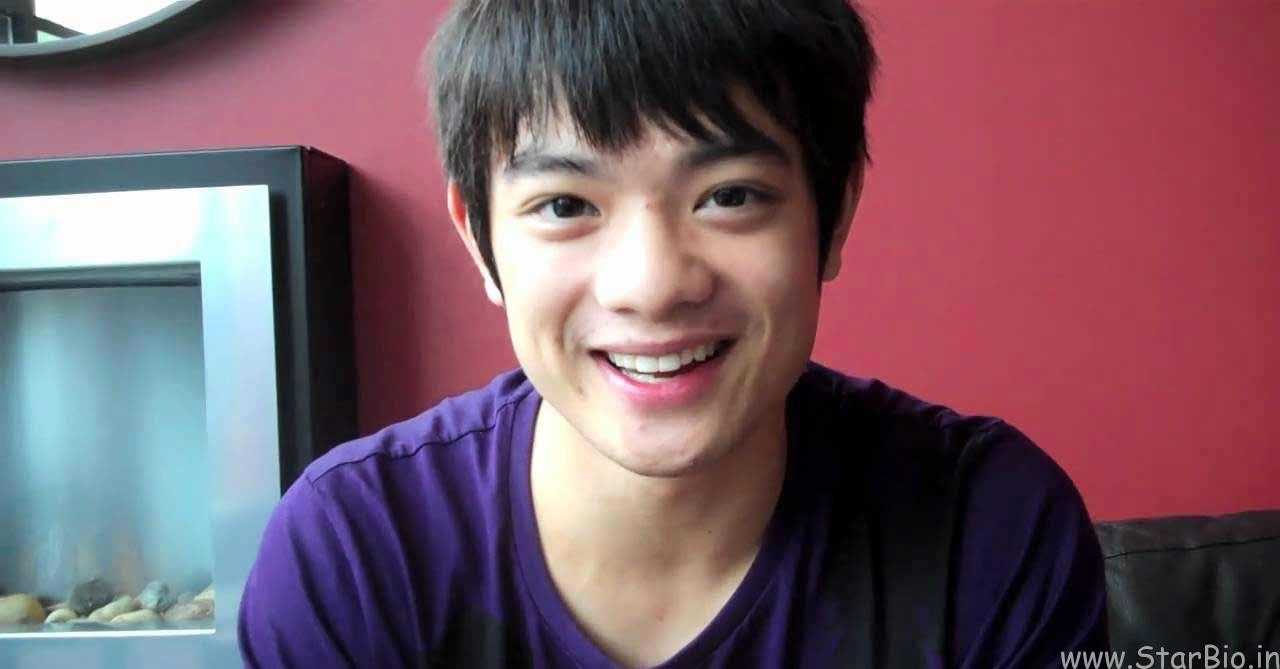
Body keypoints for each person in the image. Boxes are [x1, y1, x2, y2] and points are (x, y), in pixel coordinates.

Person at [237, 1, 1109, 666]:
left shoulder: (989, 528)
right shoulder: (356, 552)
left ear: (834, 214)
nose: (651, 286)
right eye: (566, 205)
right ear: (480, 239)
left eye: (729, 195)